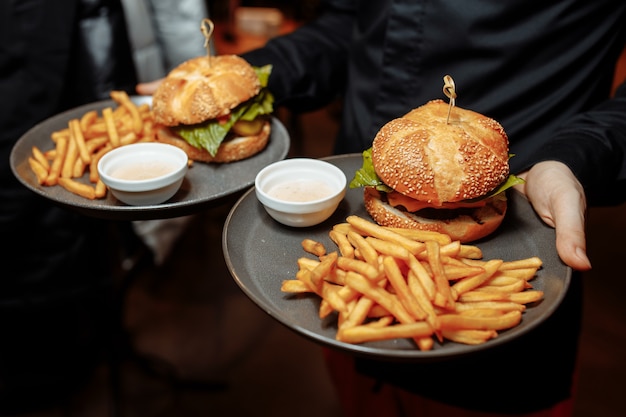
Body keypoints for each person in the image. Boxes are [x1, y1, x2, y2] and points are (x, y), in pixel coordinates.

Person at [230, 1, 626, 416]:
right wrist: (246, 77)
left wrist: (577, 156)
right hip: (348, 322)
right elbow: (348, 22)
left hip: (503, 339)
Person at [0, 0, 208, 413]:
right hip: (24, 99)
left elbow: (177, 11)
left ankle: (99, 348)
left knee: (97, 255)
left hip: (108, 65)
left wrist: (197, 86)